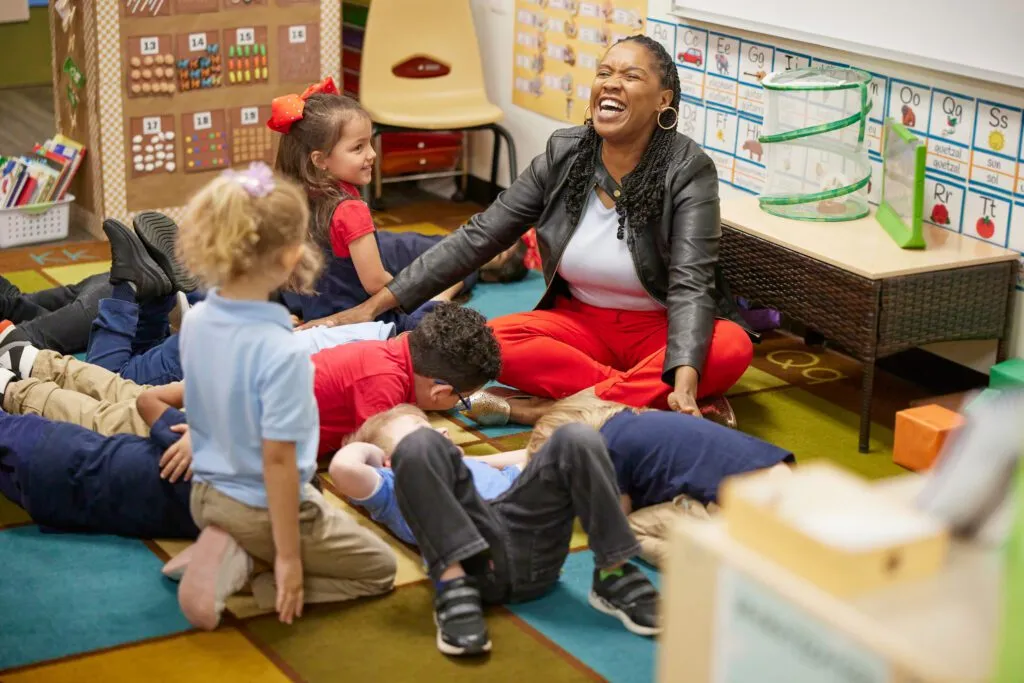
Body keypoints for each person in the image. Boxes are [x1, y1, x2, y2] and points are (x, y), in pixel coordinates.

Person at [309, 36, 756, 429]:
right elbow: (480, 236)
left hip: (661, 328)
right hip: (581, 325)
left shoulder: (688, 169)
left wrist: (684, 376)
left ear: (663, 100)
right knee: (493, 341)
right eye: (604, 73)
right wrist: (372, 308)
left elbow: (692, 283)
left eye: (631, 76)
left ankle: (559, 410)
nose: (611, 83)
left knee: (729, 346)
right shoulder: (565, 154)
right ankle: (639, 402)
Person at [171, 162, 397, 631]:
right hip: (260, 507)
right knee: (380, 568)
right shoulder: (284, 352)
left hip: (205, 493)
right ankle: (258, 571)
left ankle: (227, 543)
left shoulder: (196, 320)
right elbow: (279, 462)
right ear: (292, 256)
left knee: (310, 505)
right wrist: (289, 559)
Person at [361, 409, 660, 656]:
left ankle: (614, 572)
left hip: (530, 542)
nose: (440, 430)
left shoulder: (476, 467)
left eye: (431, 426)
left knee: (576, 436)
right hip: (472, 562)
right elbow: (344, 469)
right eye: (420, 429)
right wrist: (379, 451)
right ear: (388, 463)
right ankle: (451, 585)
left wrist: (472, 460)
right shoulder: (388, 484)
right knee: (418, 446)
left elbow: (535, 457)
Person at [268, 77, 468, 330]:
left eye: (370, 143)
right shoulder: (351, 210)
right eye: (358, 148)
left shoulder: (295, 204)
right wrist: (412, 290)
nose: (372, 154)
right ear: (320, 160)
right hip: (368, 325)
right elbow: (375, 283)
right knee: (442, 313)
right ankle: (444, 295)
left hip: (322, 325)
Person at [525, 391, 794, 564]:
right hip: (785, 480)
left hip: (743, 510)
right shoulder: (637, 420)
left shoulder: (606, 452)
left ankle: (716, 560)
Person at [0, 378, 198, 539]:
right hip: (65, 510)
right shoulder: (208, 516)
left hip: (60, 455)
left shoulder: (200, 448)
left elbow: (147, 401)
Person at [310, 301, 501, 456]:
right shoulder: (384, 385)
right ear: (439, 392)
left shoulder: (389, 355)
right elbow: (390, 461)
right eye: (462, 399)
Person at [329, 404, 526, 545]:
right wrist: (375, 454)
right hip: (482, 545)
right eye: (424, 432)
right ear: (390, 463)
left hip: (525, 517)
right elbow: (343, 467)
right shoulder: (394, 485)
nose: (444, 429)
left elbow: (530, 456)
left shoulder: (471, 465)